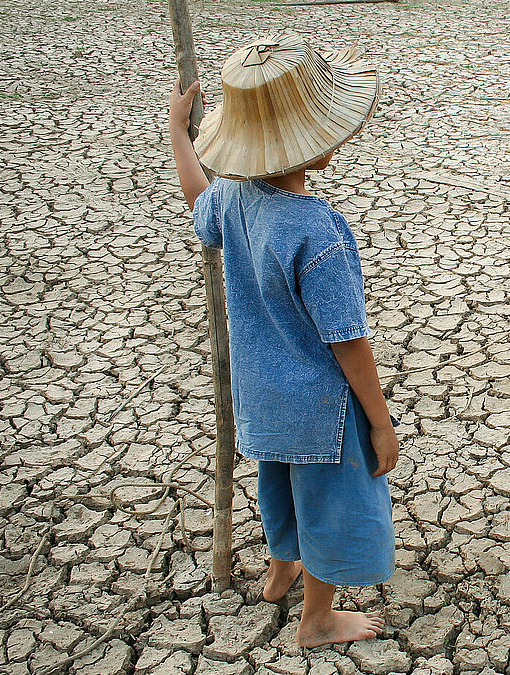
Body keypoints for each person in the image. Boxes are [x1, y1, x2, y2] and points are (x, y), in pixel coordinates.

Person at [166, 32, 396, 648]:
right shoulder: (318, 230)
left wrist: (178, 138)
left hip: (259, 392)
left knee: (279, 483)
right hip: (320, 405)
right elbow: (348, 340)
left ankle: (279, 569)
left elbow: (198, 199)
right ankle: (317, 618)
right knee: (329, 500)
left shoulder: (234, 199)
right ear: (316, 143)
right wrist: (378, 420)